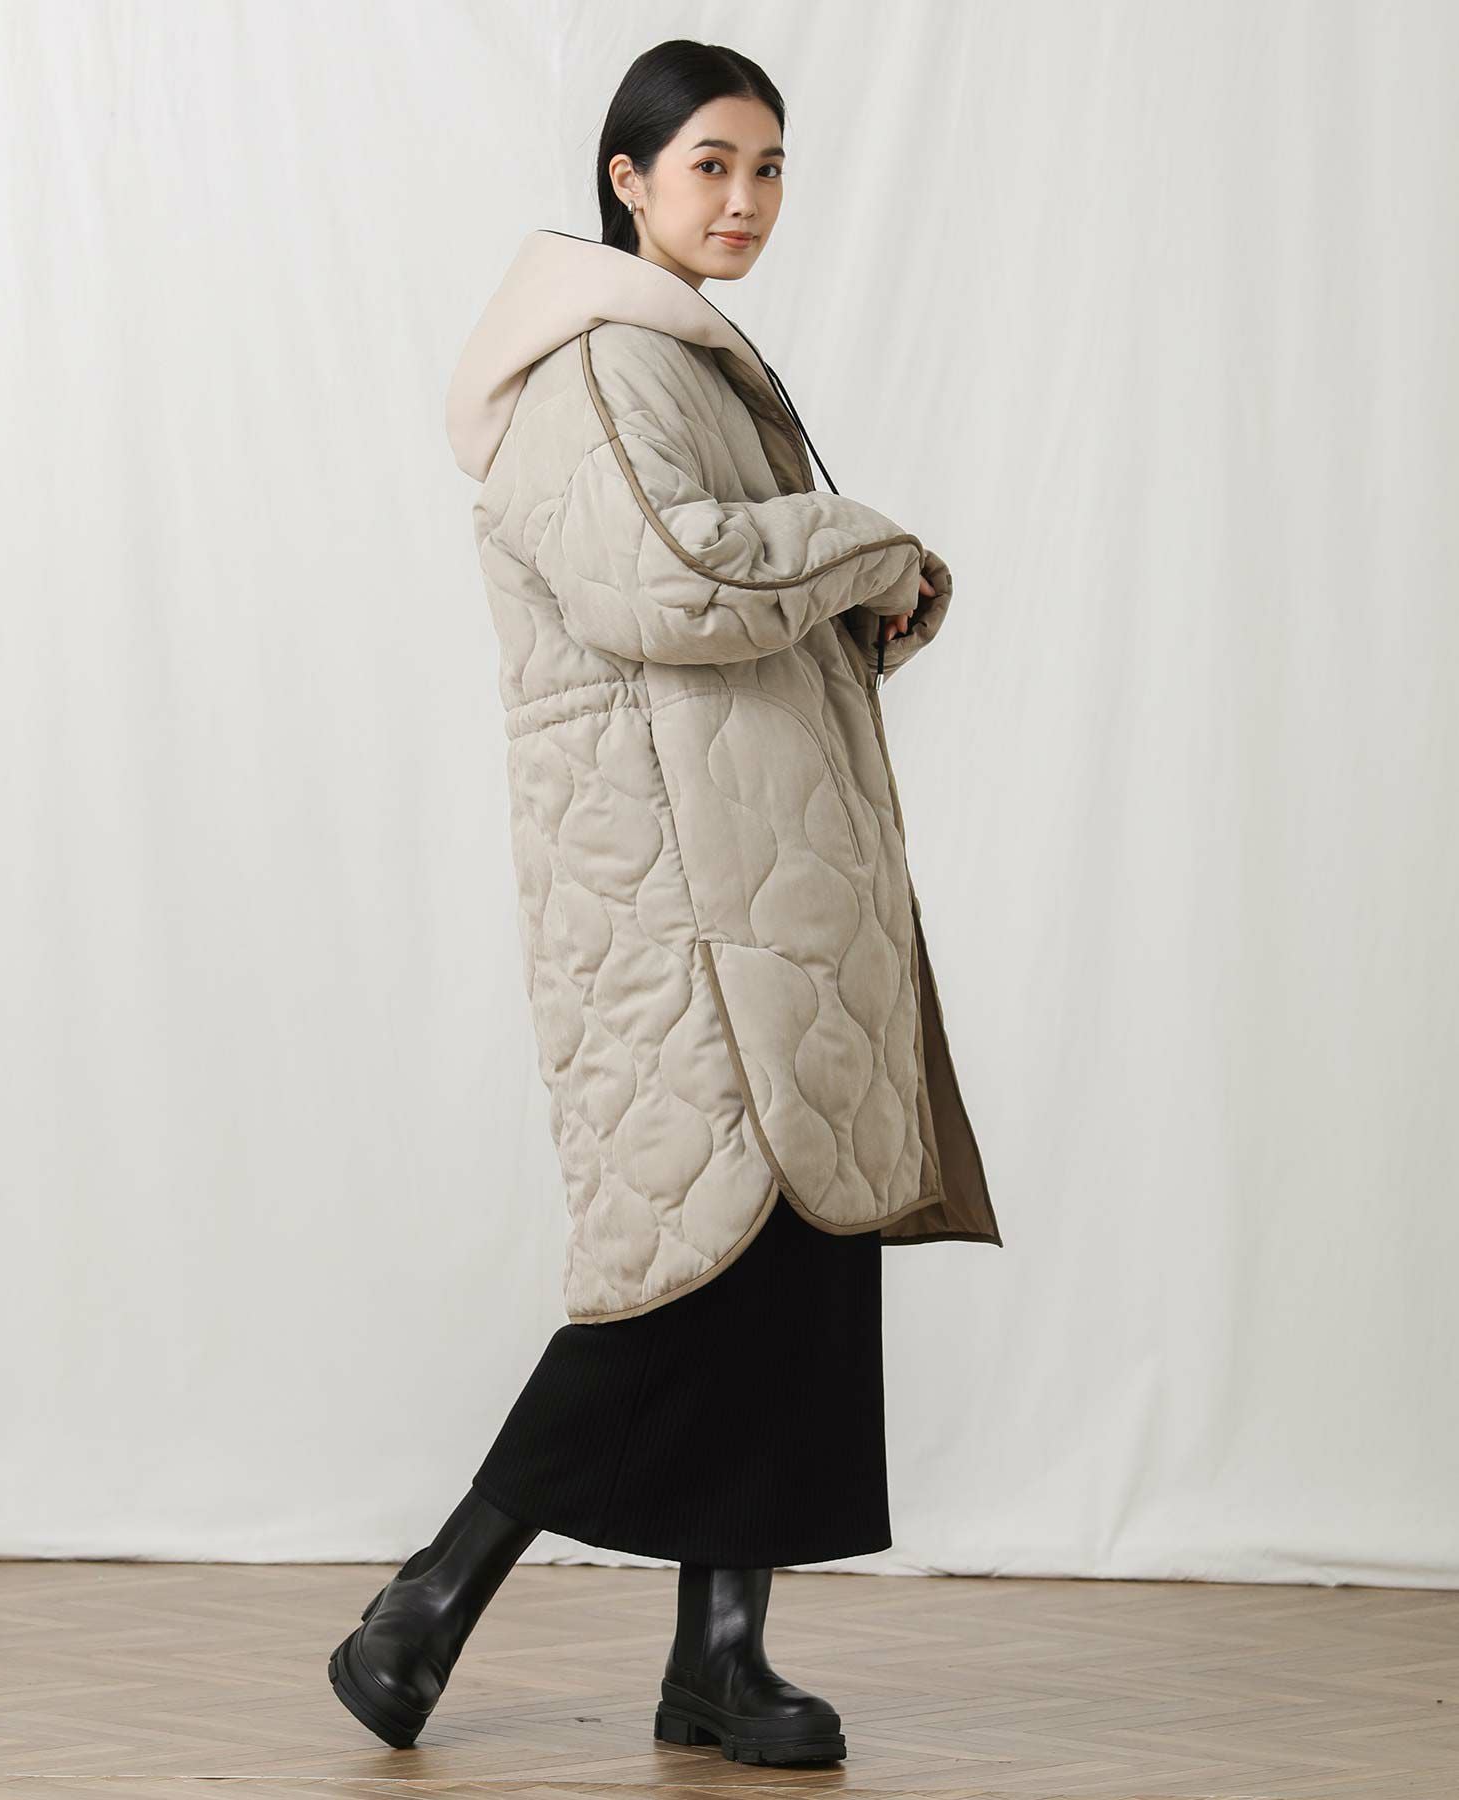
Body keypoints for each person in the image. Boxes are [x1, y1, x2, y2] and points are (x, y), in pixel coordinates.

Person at [328, 37, 1000, 1769]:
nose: (747, 199)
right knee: (690, 1274)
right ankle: (425, 1602)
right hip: (680, 903)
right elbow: (671, 583)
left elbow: (734, 620)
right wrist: (869, 545)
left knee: (792, 1261)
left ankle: (721, 1658)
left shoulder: (693, 362)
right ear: (626, 181)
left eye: (769, 168)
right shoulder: (601, 363)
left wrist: (862, 606)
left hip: (762, 885)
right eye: (712, 164)